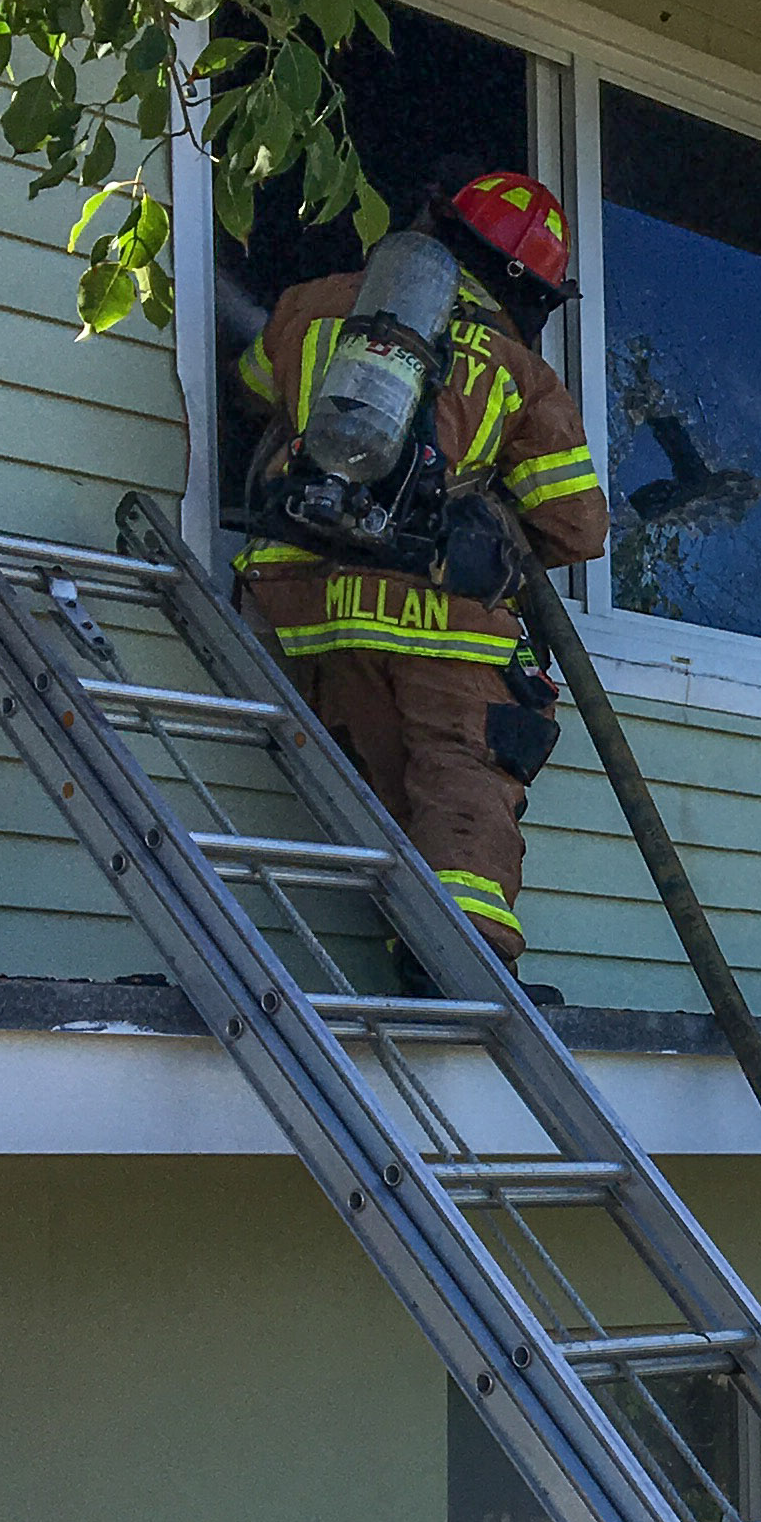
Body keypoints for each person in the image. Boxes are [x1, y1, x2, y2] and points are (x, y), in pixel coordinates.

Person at [234, 169, 607, 979]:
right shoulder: (516, 367)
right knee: (461, 779)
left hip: (302, 614)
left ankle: (419, 956)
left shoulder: (315, 306)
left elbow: (254, 383)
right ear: (530, 288)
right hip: (434, 614)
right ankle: (468, 967)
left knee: (388, 792)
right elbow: (578, 525)